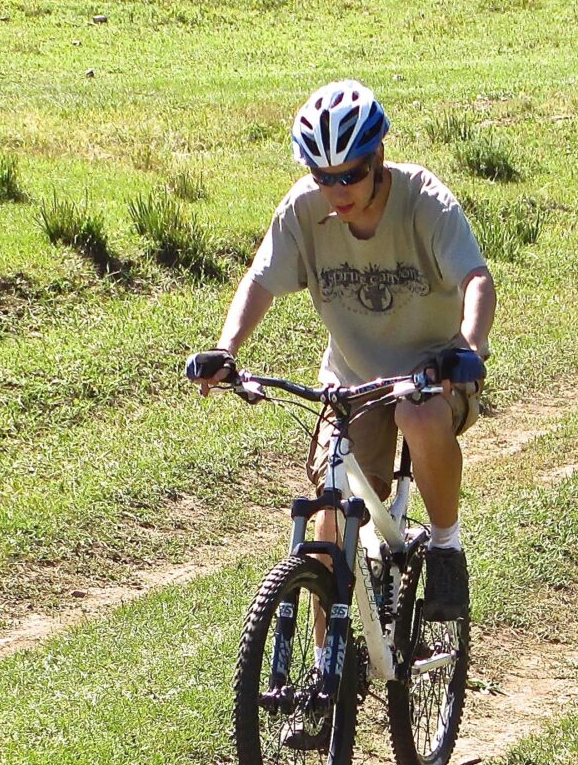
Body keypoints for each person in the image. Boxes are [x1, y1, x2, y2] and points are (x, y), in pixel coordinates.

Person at [184, 80, 496, 619]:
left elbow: (476, 280)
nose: (338, 190)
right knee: (328, 529)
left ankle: (446, 547)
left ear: (378, 156)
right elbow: (260, 280)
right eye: (323, 177)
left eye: (350, 174)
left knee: (418, 417)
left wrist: (468, 347)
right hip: (354, 381)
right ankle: (329, 680)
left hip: (435, 371)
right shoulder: (304, 210)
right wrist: (226, 347)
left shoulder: (425, 202)